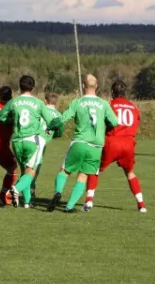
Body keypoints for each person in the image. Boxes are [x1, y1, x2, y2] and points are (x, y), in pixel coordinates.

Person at [46, 75, 118, 213]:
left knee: (65, 171)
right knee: (84, 175)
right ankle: (69, 207)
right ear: (96, 86)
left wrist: (50, 126)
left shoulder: (77, 102)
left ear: (83, 86)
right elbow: (114, 122)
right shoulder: (104, 104)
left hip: (80, 141)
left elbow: (63, 118)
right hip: (96, 146)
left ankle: (58, 192)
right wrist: (104, 128)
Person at [83, 80, 145, 212]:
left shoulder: (109, 104)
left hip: (112, 141)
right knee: (130, 173)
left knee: (95, 168)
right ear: (125, 92)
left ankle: (88, 201)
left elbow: (100, 121)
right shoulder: (133, 107)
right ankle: (141, 205)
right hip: (128, 143)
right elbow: (136, 122)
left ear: (112, 92)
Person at [0, 75, 59, 208]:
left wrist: (11, 121)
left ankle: (27, 202)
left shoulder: (13, 102)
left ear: (20, 86)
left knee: (24, 170)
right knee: (31, 172)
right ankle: (16, 189)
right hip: (33, 140)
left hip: (17, 141)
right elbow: (50, 122)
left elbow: (0, 117)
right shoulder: (38, 103)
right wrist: (55, 127)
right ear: (33, 87)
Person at [29, 92, 62, 205]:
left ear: (45, 101)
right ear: (56, 103)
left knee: (29, 168)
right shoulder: (58, 115)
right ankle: (28, 193)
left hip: (31, 139)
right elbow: (59, 133)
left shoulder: (39, 109)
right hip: (41, 143)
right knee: (34, 169)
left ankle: (29, 191)